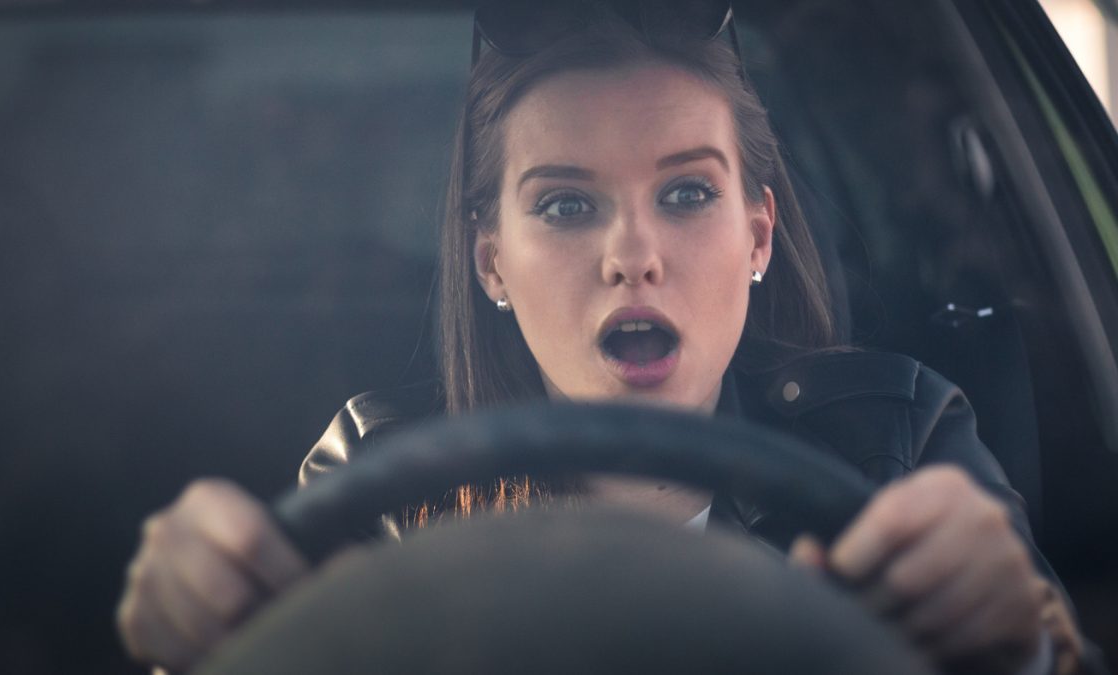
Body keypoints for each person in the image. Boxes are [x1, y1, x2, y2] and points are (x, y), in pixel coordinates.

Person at [116, 2, 1100, 673]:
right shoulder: (381, 483)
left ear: (758, 235)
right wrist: (202, 639)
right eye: (567, 205)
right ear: (492, 262)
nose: (633, 256)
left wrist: (1017, 645)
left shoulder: (897, 443)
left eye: (686, 193)